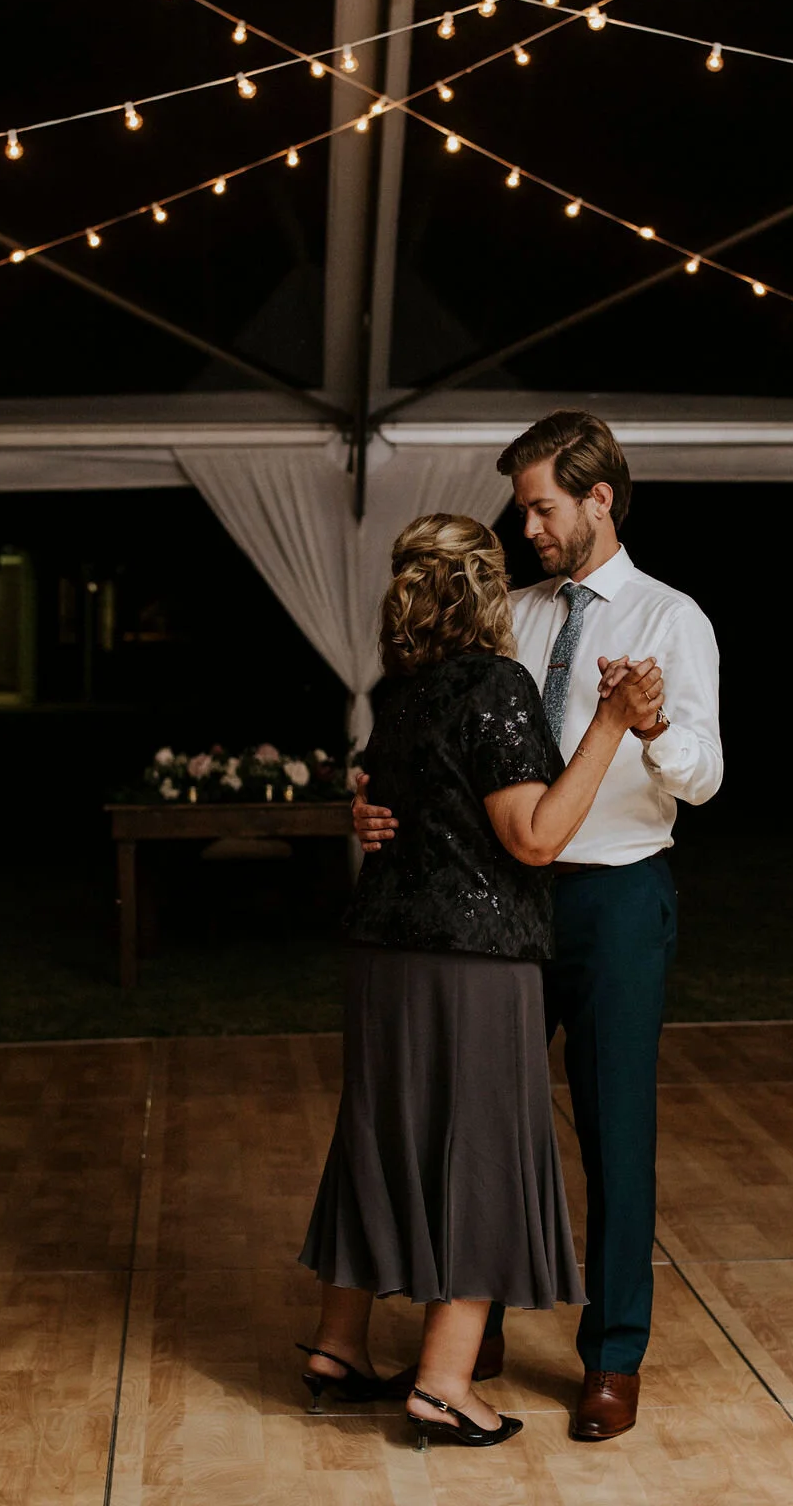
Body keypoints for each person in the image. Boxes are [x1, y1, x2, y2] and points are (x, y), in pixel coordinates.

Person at [355, 412, 722, 1442]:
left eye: (542, 507)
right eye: (522, 510)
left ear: (600, 499)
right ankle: (472, 1334)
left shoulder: (669, 620)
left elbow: (703, 775)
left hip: (611, 899)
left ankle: (611, 1358)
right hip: (498, 909)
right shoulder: (504, 615)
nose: (526, 529)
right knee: (488, 1128)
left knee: (614, 1132)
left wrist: (650, 728)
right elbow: (438, 737)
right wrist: (371, 799)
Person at [298, 512, 665, 1451]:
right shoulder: (496, 684)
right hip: (475, 958)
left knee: (381, 1136)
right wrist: (613, 726)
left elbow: (404, 809)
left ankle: (338, 1346)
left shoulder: (399, 688)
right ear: (488, 590)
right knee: (481, 1153)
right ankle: (445, 1384)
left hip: (384, 955)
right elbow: (535, 837)